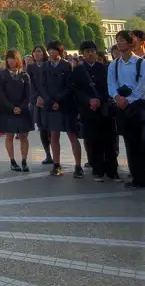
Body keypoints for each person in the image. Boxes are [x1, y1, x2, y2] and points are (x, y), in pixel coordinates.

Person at [72, 39, 120, 183]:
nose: (90, 54)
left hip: (104, 109)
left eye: (92, 51)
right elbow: (76, 89)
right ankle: (97, 170)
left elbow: (110, 86)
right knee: (93, 141)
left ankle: (112, 171)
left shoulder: (104, 67)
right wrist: (89, 101)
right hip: (88, 111)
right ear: (83, 54)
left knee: (110, 141)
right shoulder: (78, 70)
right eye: (87, 51)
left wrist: (100, 100)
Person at [37, 40, 83, 178]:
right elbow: (42, 86)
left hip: (66, 105)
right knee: (54, 136)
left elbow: (70, 86)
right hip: (50, 105)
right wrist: (50, 101)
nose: (52, 52)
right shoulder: (44, 66)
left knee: (72, 136)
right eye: (50, 50)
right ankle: (56, 165)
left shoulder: (67, 65)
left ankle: (78, 166)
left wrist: (58, 100)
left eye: (55, 50)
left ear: (60, 51)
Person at [108, 30, 145, 190]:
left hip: (138, 105)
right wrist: (117, 97)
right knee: (129, 142)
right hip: (122, 107)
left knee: (141, 143)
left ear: (131, 43)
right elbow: (111, 83)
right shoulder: (114, 64)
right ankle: (136, 176)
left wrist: (129, 99)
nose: (120, 43)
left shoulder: (141, 63)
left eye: (123, 40)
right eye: (118, 40)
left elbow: (142, 85)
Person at [0, 50, 32, 172]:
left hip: (23, 109)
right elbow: (1, 94)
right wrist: (12, 107)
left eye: (13, 58)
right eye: (8, 58)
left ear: (18, 59)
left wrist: (21, 107)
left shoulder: (24, 75)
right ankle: (12, 161)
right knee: (9, 135)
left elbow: (28, 95)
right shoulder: (2, 74)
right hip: (7, 109)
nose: (10, 61)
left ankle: (24, 161)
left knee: (23, 136)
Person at [27, 45, 53, 165]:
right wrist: (37, 97)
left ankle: (55, 152)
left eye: (39, 51)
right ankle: (48, 154)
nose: (36, 54)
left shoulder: (48, 65)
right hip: (36, 101)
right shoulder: (30, 67)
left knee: (51, 128)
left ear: (43, 53)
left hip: (49, 99)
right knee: (42, 128)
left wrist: (45, 97)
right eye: (34, 52)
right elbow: (30, 84)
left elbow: (50, 83)